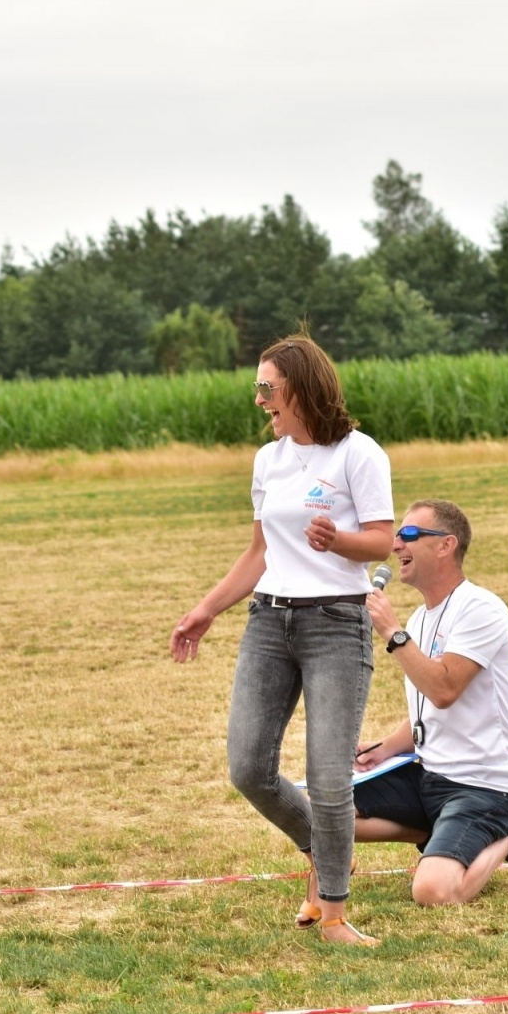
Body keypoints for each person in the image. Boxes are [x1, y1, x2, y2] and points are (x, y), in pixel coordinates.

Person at [170, 333, 393, 945]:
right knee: (248, 768)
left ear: (301, 386)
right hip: (269, 621)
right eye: (258, 388)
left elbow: (382, 539)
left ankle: (337, 915)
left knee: (328, 779)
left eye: (268, 387)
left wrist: (339, 541)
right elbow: (259, 553)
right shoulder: (267, 460)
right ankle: (326, 853)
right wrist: (206, 610)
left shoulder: (358, 453)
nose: (260, 399)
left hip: (336, 625)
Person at [356, 499, 508, 906]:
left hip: (485, 787)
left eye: (410, 535)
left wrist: (392, 633)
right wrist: (379, 751)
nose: (396, 544)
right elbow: (426, 713)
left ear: (446, 545)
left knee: (433, 892)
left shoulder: (481, 609)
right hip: (429, 776)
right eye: (397, 535)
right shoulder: (419, 618)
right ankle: (443, 833)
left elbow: (444, 690)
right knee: (324, 810)